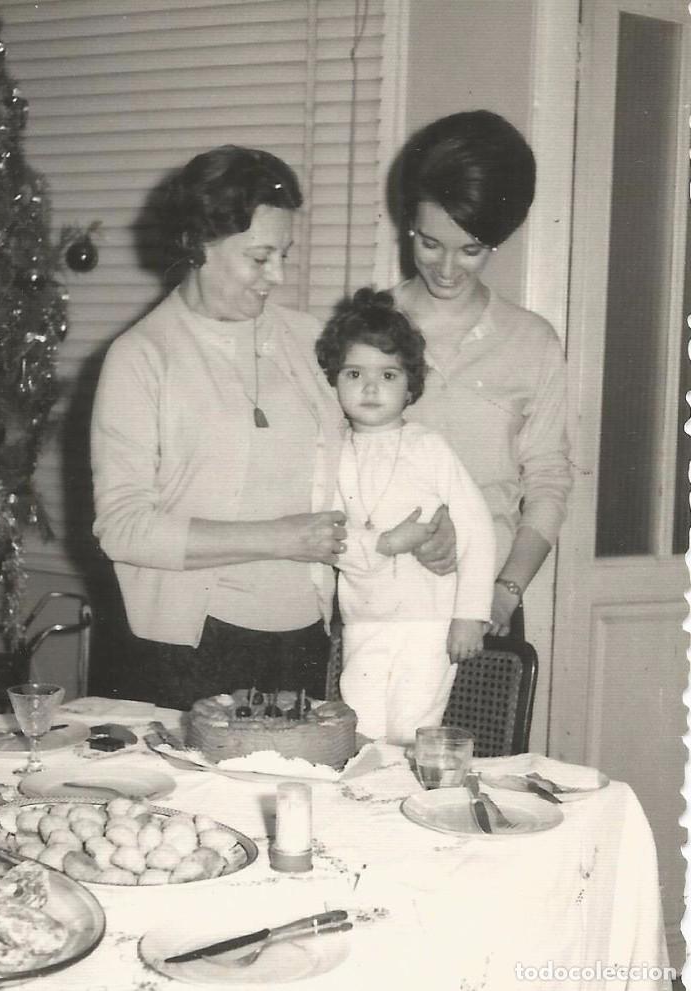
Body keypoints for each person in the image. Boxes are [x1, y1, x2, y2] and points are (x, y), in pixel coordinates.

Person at [90, 145, 454, 710]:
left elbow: (385, 442)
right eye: (259, 258)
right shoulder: (141, 356)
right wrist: (279, 537)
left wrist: (436, 518)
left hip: (304, 631)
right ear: (198, 244)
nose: (277, 277)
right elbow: (122, 526)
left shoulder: (309, 340)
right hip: (189, 643)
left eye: (283, 255)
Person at [389, 110, 572, 637]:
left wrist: (505, 592)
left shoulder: (532, 342)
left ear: (496, 240)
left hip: (486, 605)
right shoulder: (367, 328)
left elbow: (548, 481)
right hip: (376, 598)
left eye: (470, 250)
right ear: (409, 225)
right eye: (429, 244)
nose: (447, 270)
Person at [316, 288, 495, 743]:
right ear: (334, 381)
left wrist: (470, 614)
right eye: (355, 373)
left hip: (429, 621)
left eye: (388, 374)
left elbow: (476, 527)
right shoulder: (331, 456)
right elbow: (329, 537)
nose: (371, 388)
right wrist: (386, 544)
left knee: (414, 729)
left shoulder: (428, 448)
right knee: (361, 729)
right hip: (364, 619)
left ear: (411, 385)